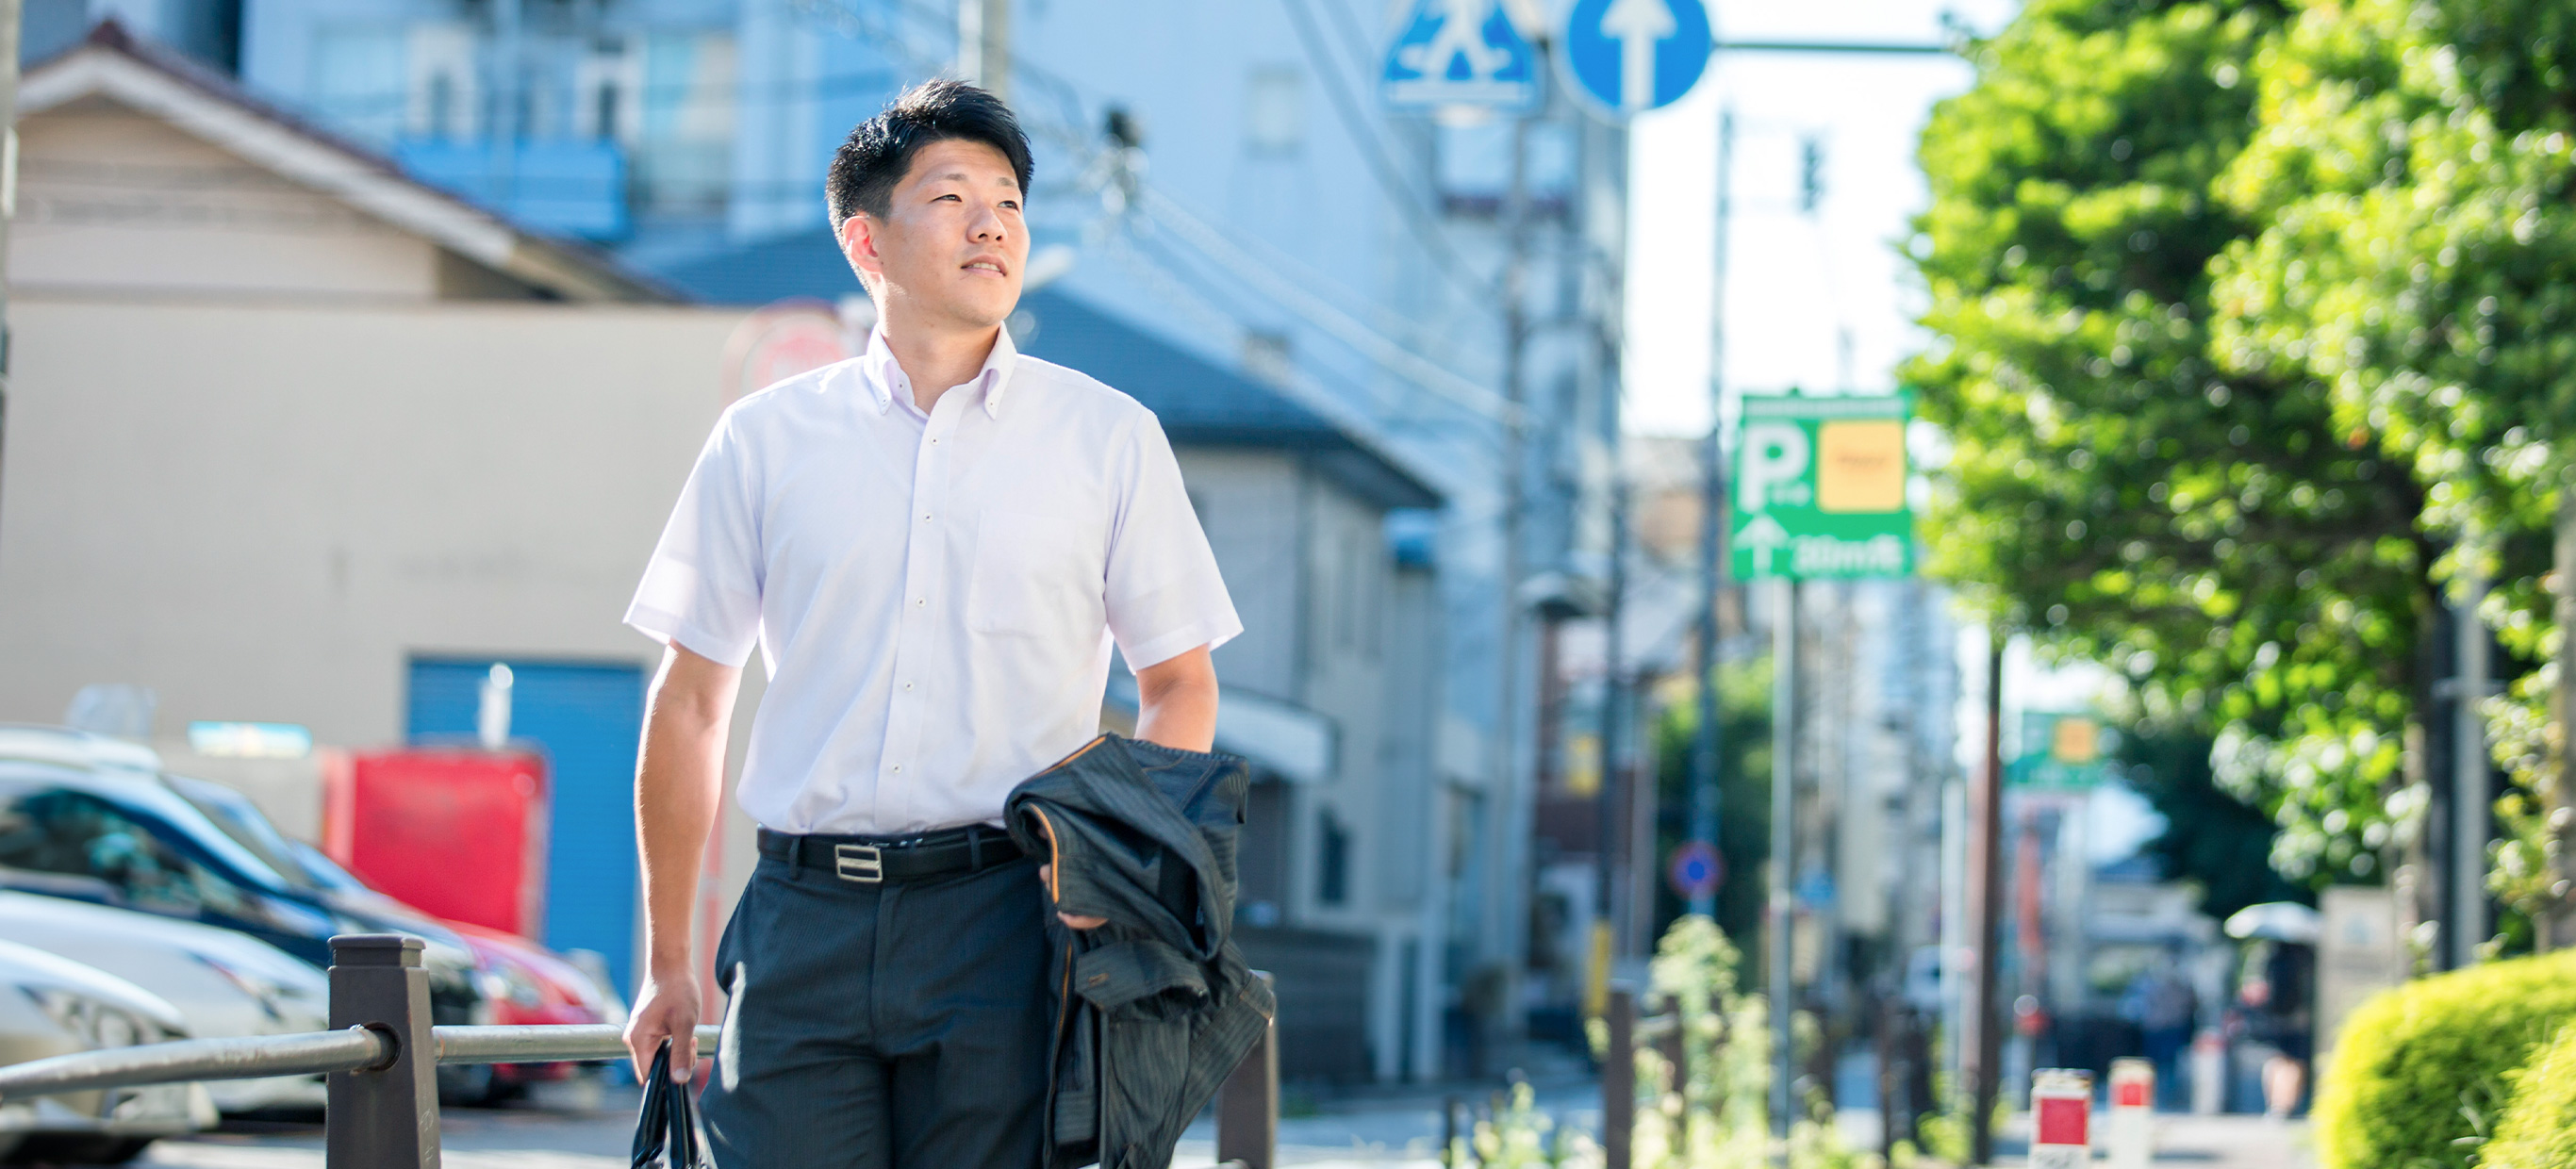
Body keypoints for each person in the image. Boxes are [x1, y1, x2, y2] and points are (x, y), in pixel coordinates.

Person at [618, 79, 1241, 1169]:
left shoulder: (1107, 437)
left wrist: (1116, 869)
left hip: (1007, 919)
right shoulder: (763, 440)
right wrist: (668, 959)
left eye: (1006, 198)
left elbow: (1180, 682)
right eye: (951, 196)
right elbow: (690, 703)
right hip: (800, 919)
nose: (991, 222)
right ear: (866, 241)